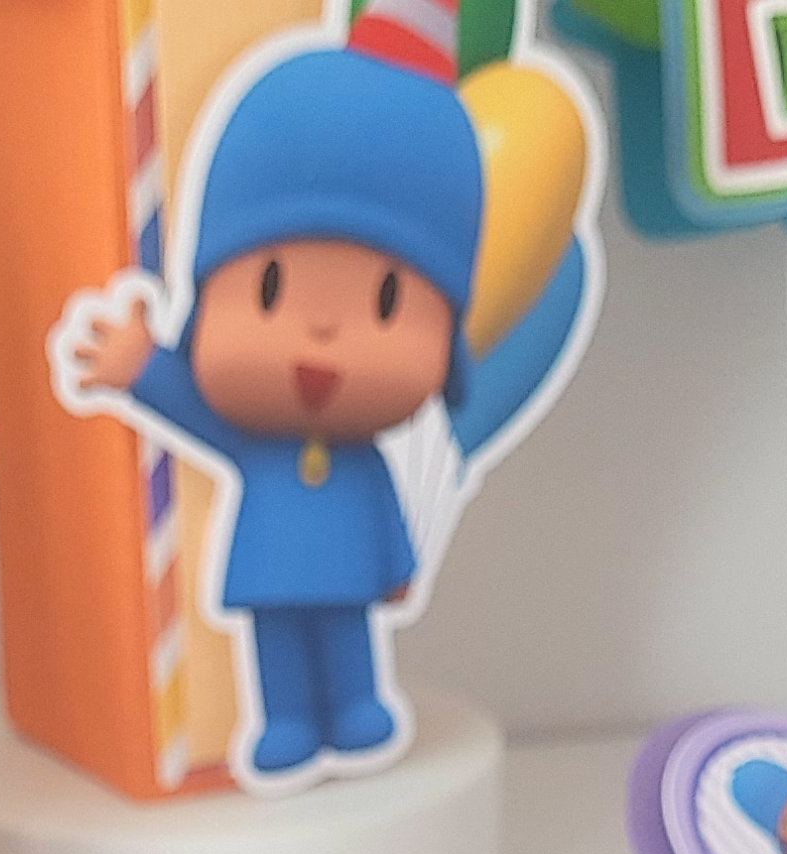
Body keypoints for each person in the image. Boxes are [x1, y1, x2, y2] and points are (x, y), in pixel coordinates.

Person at [55, 10, 484, 777]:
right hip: (268, 568)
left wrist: (397, 566)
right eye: (271, 289)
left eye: (385, 302)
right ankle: (286, 718)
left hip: (345, 577)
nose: (321, 330)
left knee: (347, 637)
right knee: (278, 641)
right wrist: (141, 365)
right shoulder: (251, 439)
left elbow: (385, 508)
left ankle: (355, 704)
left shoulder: (363, 462)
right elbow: (194, 409)